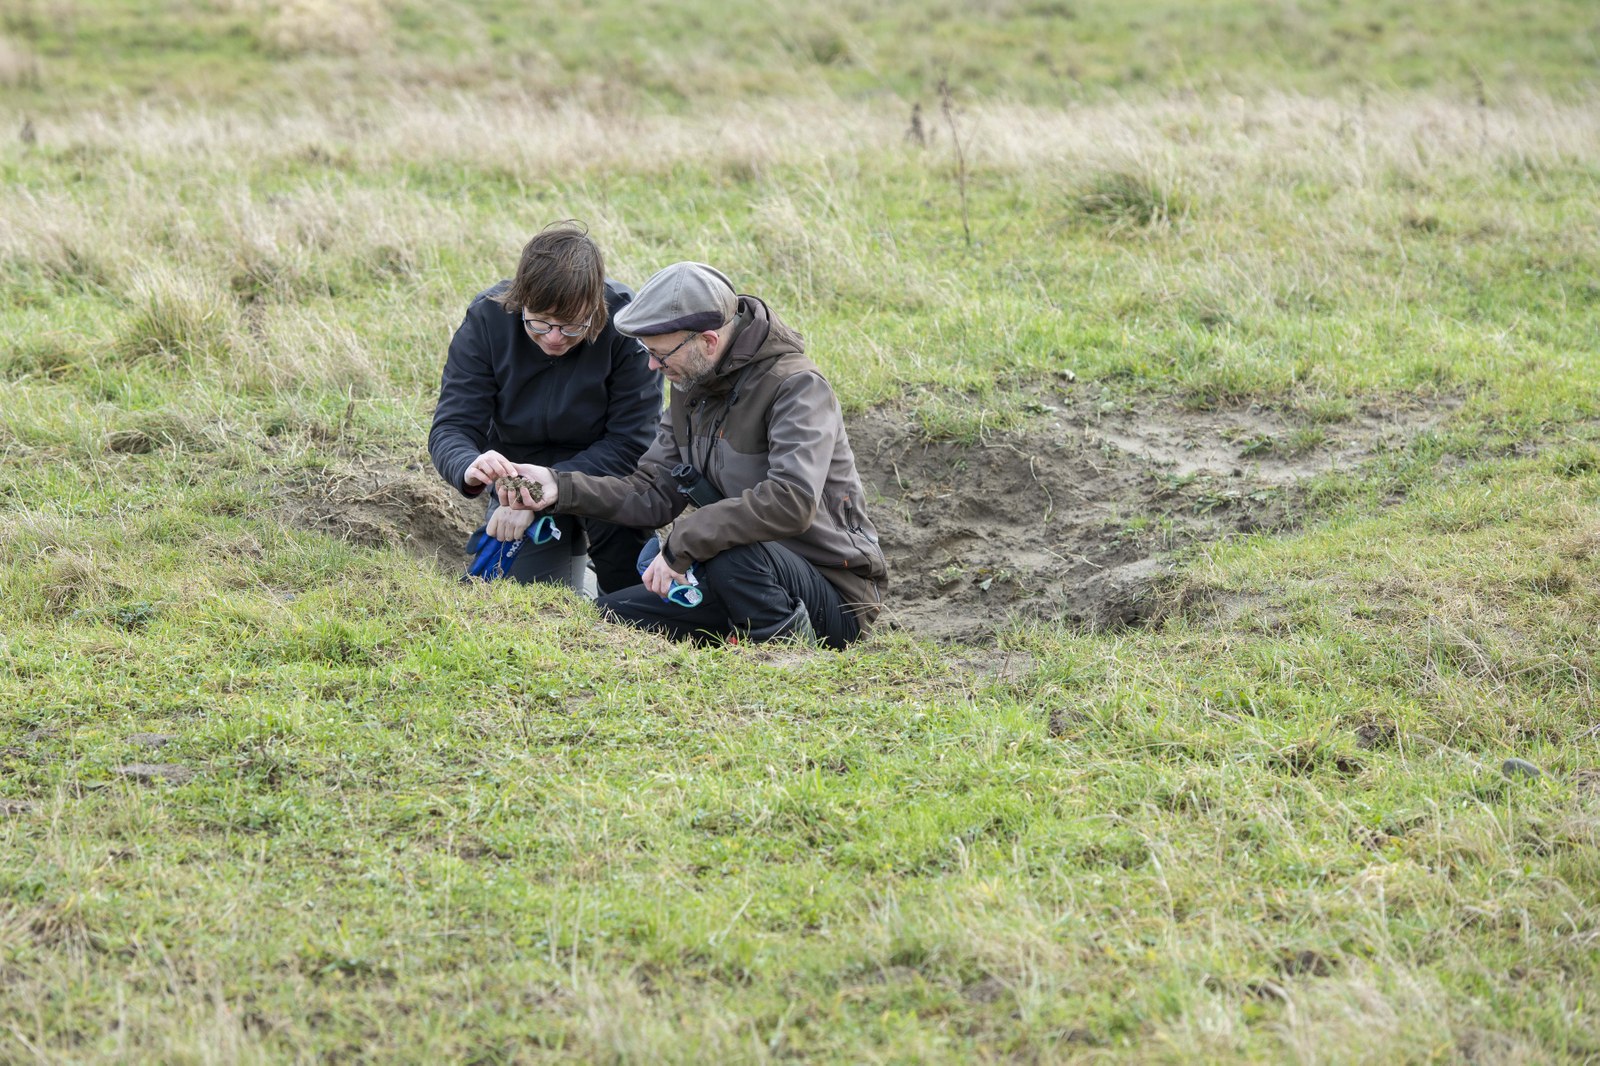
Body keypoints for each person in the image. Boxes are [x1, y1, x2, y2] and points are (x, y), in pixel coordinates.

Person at [493, 261, 888, 648]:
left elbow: (791, 502)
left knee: (732, 554)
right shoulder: (690, 383)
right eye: (646, 351)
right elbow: (650, 493)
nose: (651, 364)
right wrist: (559, 487)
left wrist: (684, 541)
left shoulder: (798, 387)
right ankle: (739, 637)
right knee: (613, 615)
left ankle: (784, 658)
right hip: (733, 576)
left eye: (660, 354)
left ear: (709, 341)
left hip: (834, 595)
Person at [428, 222, 662, 594]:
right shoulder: (487, 319)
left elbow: (632, 442)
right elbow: (452, 427)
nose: (554, 338)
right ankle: (572, 568)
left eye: (572, 326)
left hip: (601, 477)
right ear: (520, 299)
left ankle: (611, 589)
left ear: (596, 307)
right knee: (520, 599)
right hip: (516, 479)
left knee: (629, 597)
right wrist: (471, 466)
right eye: (539, 322)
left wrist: (551, 485)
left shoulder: (627, 325)